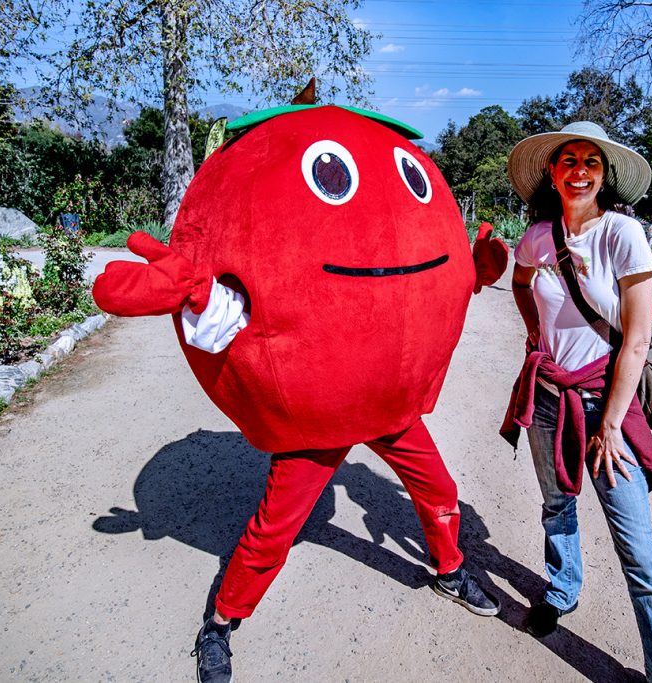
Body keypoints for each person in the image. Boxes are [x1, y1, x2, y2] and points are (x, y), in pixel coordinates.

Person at [92, 101, 506, 683]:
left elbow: (431, 287)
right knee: (273, 532)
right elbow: (233, 313)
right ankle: (220, 622)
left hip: (391, 409)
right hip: (313, 423)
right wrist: (194, 294)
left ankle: (448, 568)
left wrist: (471, 273)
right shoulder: (255, 186)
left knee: (440, 490)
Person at [501, 121, 652, 683]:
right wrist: (535, 333)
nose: (579, 170)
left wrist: (610, 425)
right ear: (552, 174)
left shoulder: (623, 234)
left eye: (591, 161)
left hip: (604, 400)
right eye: (569, 161)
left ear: (604, 175)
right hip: (547, 393)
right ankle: (562, 589)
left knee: (638, 550)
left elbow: (635, 339)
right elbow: (520, 284)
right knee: (557, 503)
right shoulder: (538, 235)